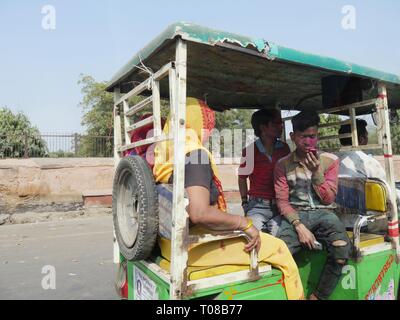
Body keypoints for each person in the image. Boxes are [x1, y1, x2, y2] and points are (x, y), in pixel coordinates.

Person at [153, 97, 304, 300]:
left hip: (171, 243)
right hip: (193, 243)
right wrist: (243, 222)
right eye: (208, 126)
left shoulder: (167, 154)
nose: (209, 132)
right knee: (280, 248)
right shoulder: (195, 154)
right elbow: (199, 213)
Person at [273, 110, 351, 300]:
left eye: (312, 136)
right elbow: (282, 201)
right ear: (292, 136)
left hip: (324, 213)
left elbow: (328, 200)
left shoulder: (330, 161)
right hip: (295, 215)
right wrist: (299, 226)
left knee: (341, 249)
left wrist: (317, 173)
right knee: (277, 256)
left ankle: (317, 296)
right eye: (303, 137)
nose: (308, 142)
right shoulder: (282, 164)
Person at [238, 109, 290, 234]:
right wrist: (245, 203)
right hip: (257, 207)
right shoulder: (250, 151)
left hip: (281, 205)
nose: (281, 126)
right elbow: (242, 178)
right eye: (275, 123)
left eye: (281, 123)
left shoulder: (284, 148)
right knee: (252, 235)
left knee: (279, 237)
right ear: (263, 127)